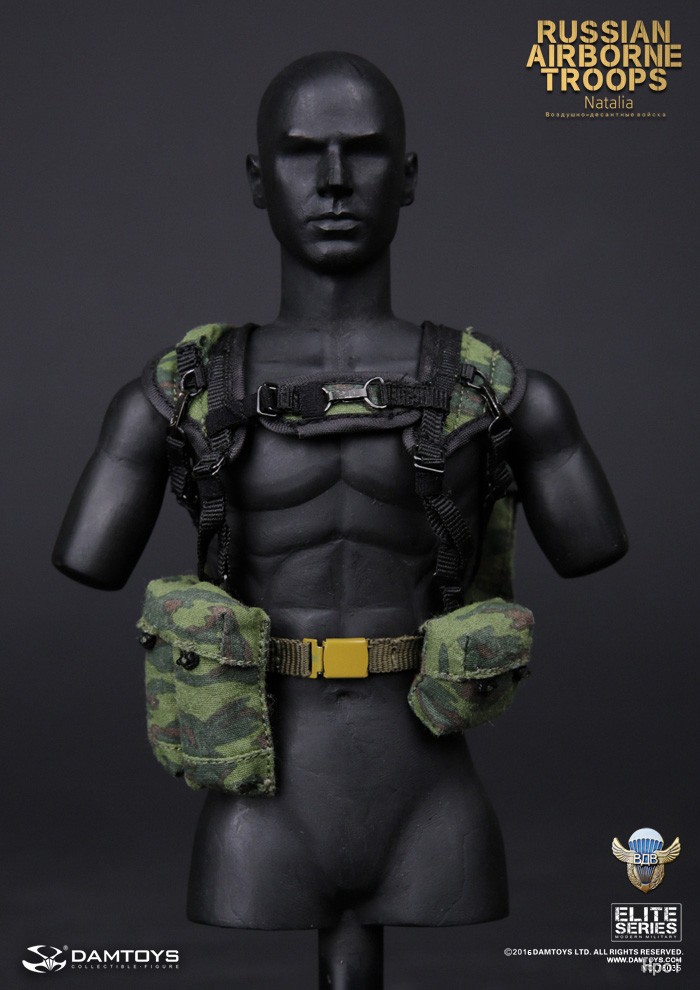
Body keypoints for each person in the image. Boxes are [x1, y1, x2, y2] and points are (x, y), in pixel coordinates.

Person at [53, 52, 627, 988]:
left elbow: (594, 546)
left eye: (362, 152)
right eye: (300, 153)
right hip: (259, 800)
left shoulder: (499, 393)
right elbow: (88, 558)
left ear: (407, 177)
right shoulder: (176, 394)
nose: (331, 180)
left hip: (431, 795)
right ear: (257, 178)